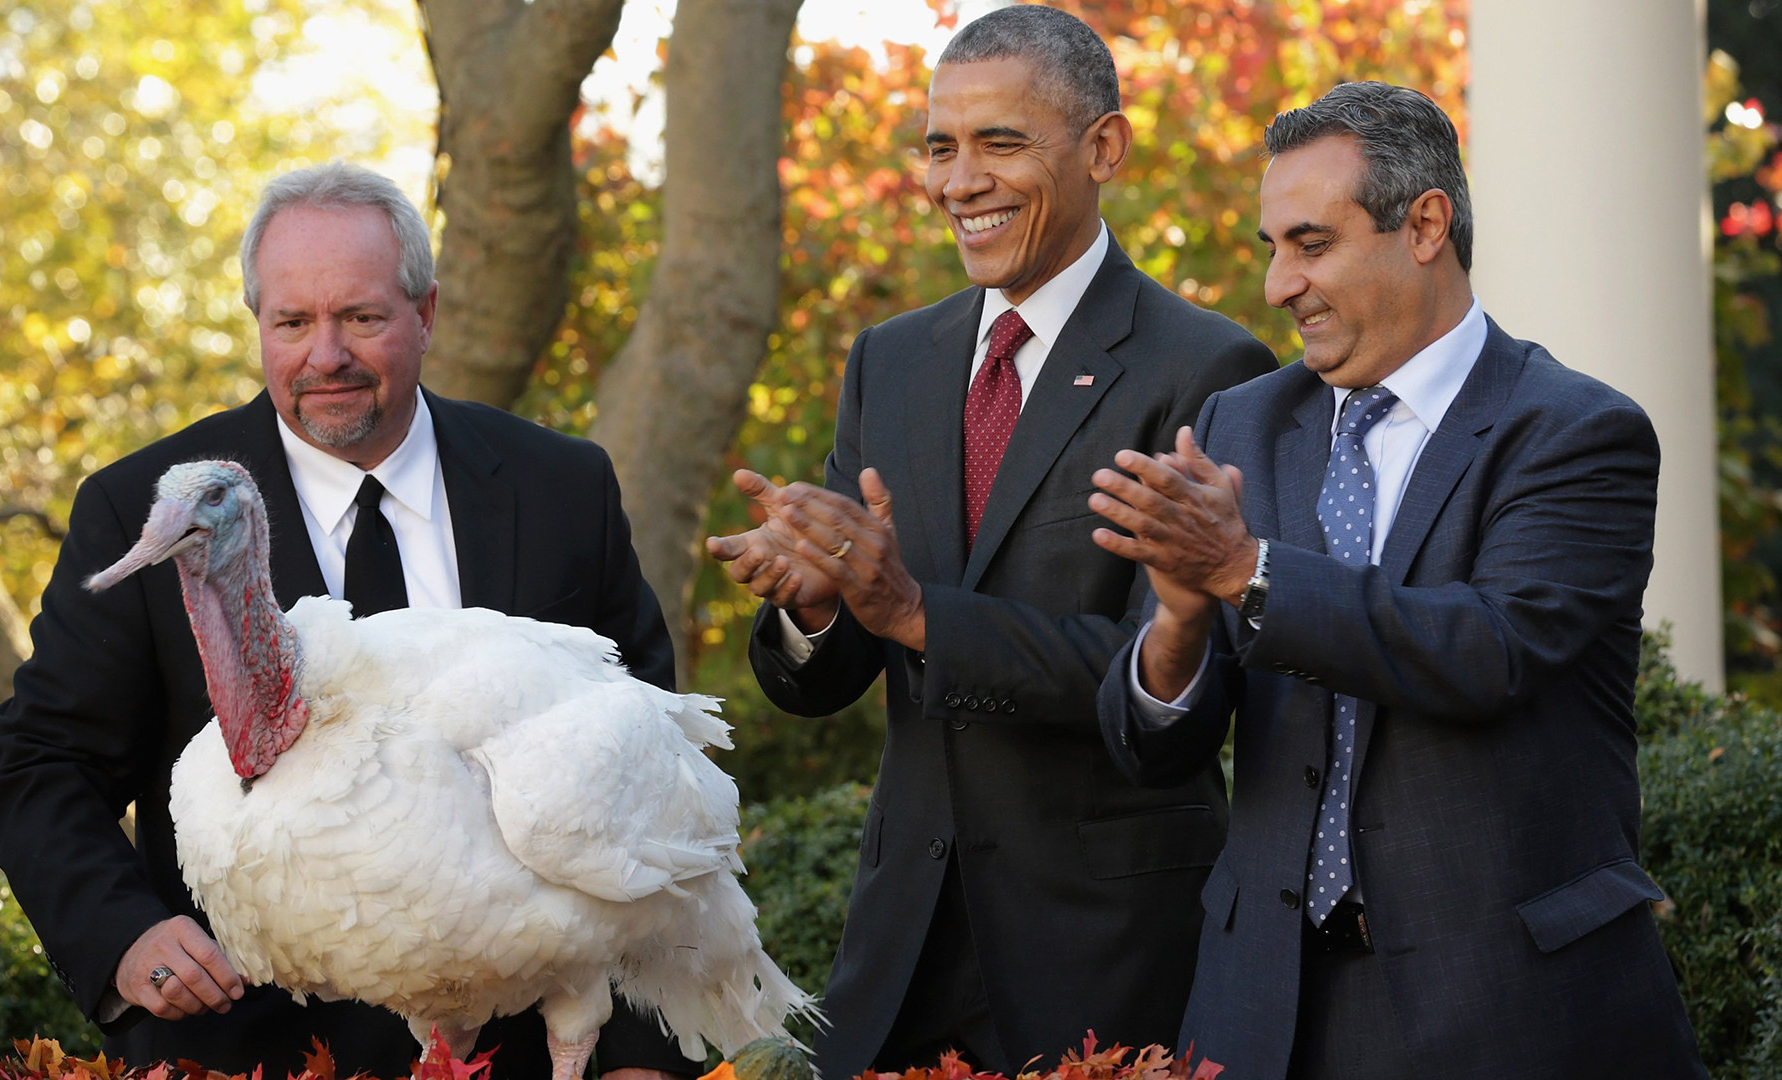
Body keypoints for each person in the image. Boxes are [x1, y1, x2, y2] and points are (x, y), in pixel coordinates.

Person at [0, 162, 698, 1080]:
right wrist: (122, 934)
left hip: (536, 1053)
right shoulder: (148, 515)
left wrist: (640, 1053)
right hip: (258, 1050)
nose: (326, 356)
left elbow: (653, 791)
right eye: (292, 323)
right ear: (259, 327)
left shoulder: (562, 489)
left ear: (427, 313)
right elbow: (39, 762)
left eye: (360, 317)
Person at [1091, 82, 1707, 1079]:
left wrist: (1243, 572)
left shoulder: (1574, 433)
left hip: (1513, 1012)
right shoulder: (1243, 426)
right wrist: (1174, 623)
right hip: (1261, 1013)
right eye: (1271, 249)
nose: (1279, 285)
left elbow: (1487, 650)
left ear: (1425, 225)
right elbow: (1151, 745)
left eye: (1312, 243)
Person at [706, 8, 1274, 1077]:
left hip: (1106, 958)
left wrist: (915, 611)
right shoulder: (890, 362)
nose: (958, 180)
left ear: (1103, 148)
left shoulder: (1208, 369)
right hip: (901, 954)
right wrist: (815, 605)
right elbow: (830, 669)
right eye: (939, 146)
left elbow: (1178, 686)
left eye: (1000, 142)